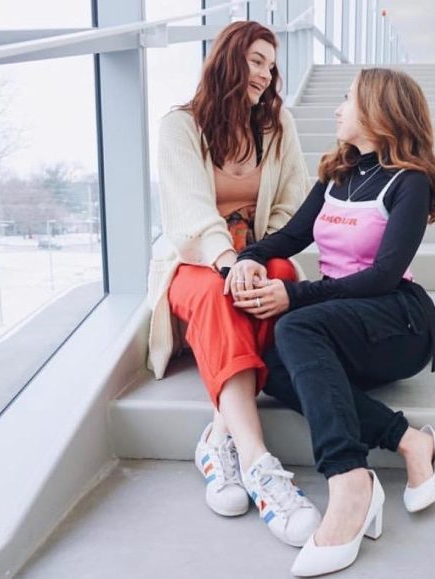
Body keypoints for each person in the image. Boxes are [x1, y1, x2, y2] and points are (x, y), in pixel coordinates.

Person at [228, 67, 435, 576]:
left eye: (347, 98)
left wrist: (294, 293)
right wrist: (247, 258)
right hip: (342, 319)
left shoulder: (409, 183)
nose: (337, 108)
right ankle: (408, 440)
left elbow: (383, 276)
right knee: (273, 365)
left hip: (398, 320)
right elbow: (289, 238)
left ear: (379, 110)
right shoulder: (338, 177)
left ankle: (350, 478)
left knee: (295, 326)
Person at [146, 21, 320, 547]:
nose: (267, 75)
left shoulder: (279, 126)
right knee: (220, 297)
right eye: (257, 60)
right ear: (228, 58)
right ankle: (257, 462)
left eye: (272, 65)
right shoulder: (180, 126)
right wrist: (229, 261)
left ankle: (218, 438)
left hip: (259, 254)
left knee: (283, 281)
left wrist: (258, 256)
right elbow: (189, 216)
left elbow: (293, 204)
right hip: (196, 262)